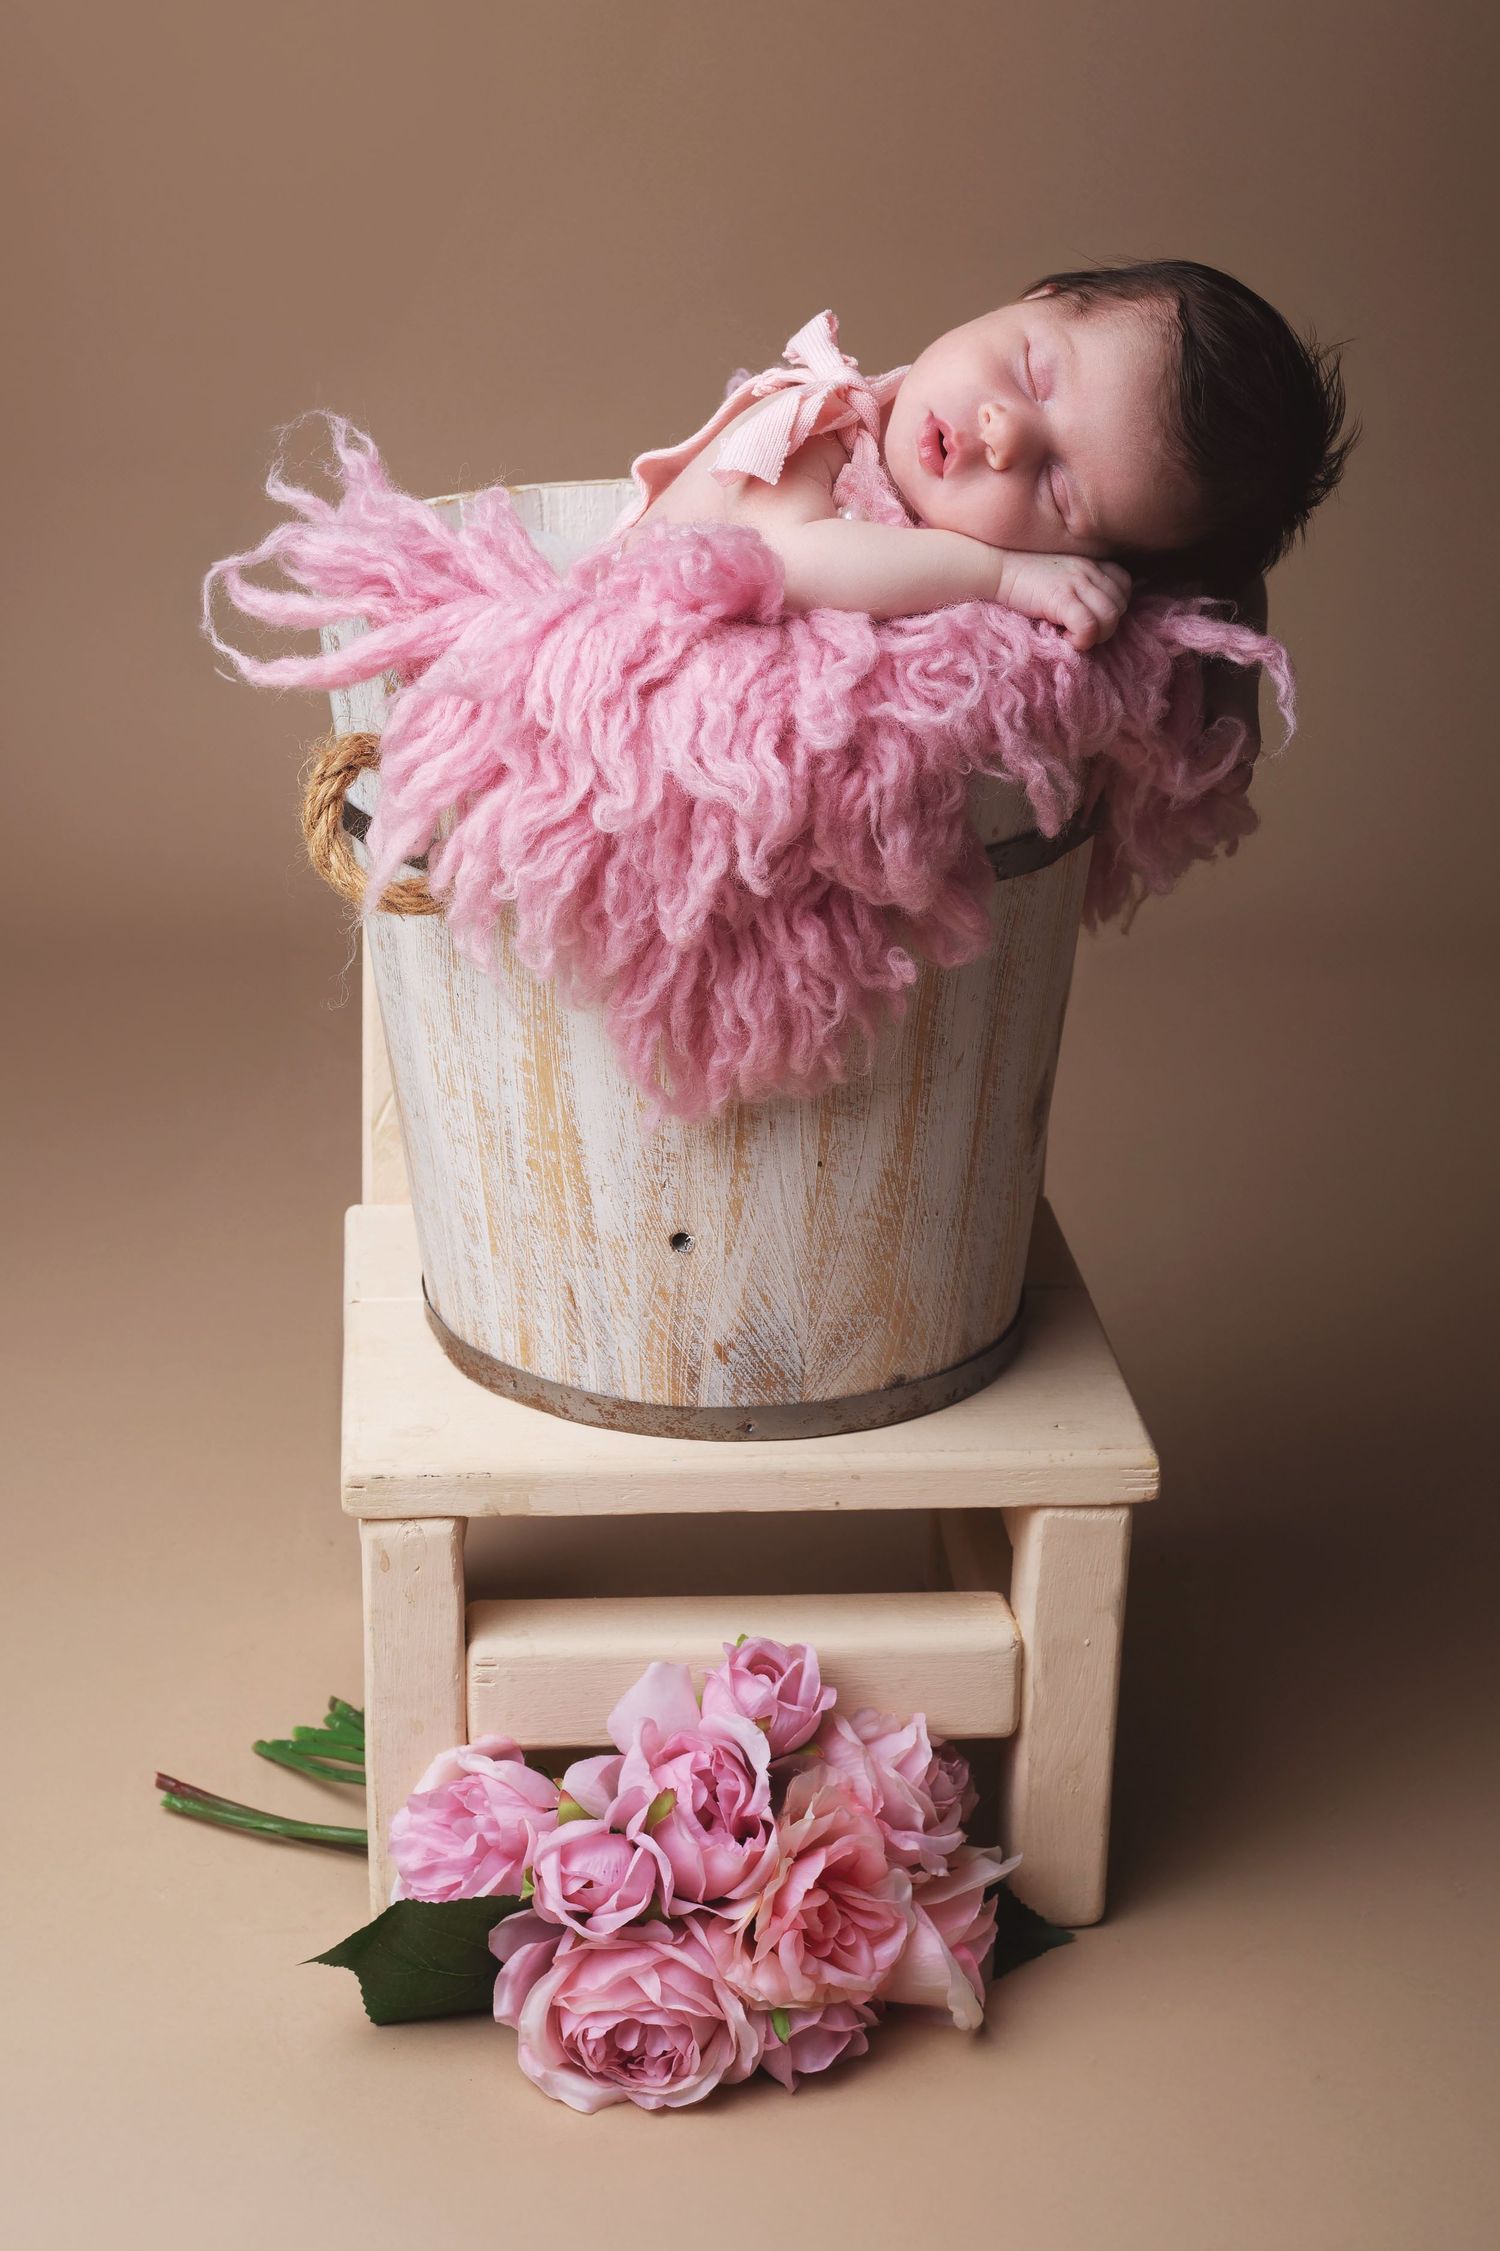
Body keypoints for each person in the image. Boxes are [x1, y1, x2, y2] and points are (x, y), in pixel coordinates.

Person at [611, 260, 1359, 657]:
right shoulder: (824, 427)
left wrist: (1232, 693)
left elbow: (1200, 592)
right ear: (1036, 298)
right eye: (1034, 374)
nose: (1007, 435)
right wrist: (1002, 575)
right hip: (617, 684)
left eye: (1060, 490)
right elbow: (791, 561)